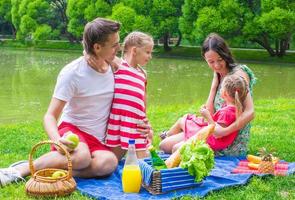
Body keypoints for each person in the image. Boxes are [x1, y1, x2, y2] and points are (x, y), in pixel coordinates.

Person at [0, 18, 152, 187]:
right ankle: (20, 170)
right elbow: (50, 115)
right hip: (72, 130)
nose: (120, 48)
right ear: (97, 47)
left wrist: (144, 124)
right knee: (81, 157)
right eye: (115, 45)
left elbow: (135, 90)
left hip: (97, 139)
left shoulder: (114, 64)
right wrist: (57, 140)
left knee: (108, 163)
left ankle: (55, 170)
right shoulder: (73, 73)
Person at [160, 33, 256, 156]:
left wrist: (224, 131)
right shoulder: (218, 75)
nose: (216, 65)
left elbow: (250, 112)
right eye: (211, 62)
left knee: (177, 149)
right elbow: (210, 113)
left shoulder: (238, 75)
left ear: (225, 54)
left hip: (227, 141)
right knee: (164, 145)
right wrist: (214, 86)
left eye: (220, 60)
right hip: (212, 131)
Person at [160, 74, 248, 153]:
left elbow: (217, 134)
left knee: (176, 148)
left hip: (209, 140)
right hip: (209, 137)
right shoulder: (236, 108)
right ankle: (168, 136)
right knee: (164, 145)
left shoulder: (227, 112)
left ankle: (168, 136)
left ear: (224, 93)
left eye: (221, 88)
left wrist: (207, 116)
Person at [105, 31, 154, 160]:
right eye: (148, 52)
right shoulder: (119, 64)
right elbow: (99, 53)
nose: (150, 56)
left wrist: (146, 122)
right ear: (134, 50)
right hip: (118, 121)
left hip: (137, 124)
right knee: (113, 160)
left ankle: (147, 155)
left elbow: (143, 102)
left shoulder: (143, 73)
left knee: (143, 164)